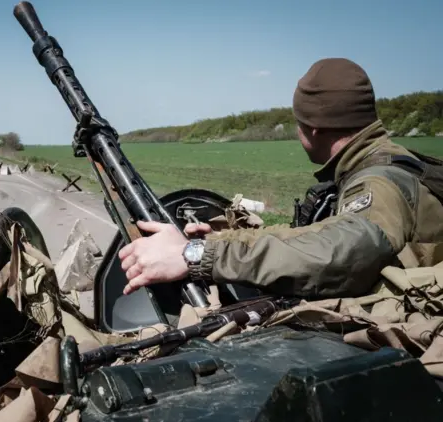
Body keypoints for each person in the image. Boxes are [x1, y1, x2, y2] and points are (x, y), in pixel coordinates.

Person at [118, 58, 443, 300]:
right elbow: (313, 235)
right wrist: (222, 240)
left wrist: (195, 256)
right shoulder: (391, 160)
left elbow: (338, 252)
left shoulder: (379, 185)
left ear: (313, 129)